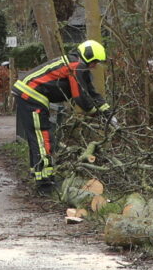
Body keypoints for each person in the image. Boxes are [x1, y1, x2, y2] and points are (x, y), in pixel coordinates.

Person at [12, 39, 110, 186]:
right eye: (95, 62)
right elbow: (80, 97)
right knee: (42, 136)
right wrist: (94, 112)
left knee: (37, 137)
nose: (95, 66)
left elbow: (90, 91)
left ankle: (39, 173)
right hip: (31, 96)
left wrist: (106, 111)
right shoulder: (76, 66)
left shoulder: (76, 64)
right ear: (89, 56)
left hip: (29, 94)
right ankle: (44, 182)